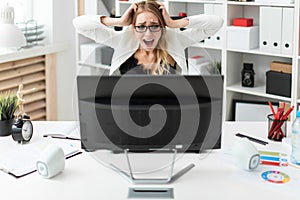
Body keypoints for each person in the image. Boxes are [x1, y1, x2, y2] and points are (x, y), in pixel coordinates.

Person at [73, 0, 223, 75]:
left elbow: (216, 23)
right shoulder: (121, 41)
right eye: (141, 26)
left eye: (154, 26)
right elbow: (78, 24)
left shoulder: (176, 40)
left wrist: (174, 23)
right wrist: (118, 21)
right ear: (133, 27)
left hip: (169, 114)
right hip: (127, 112)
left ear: (162, 25)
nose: (148, 34)